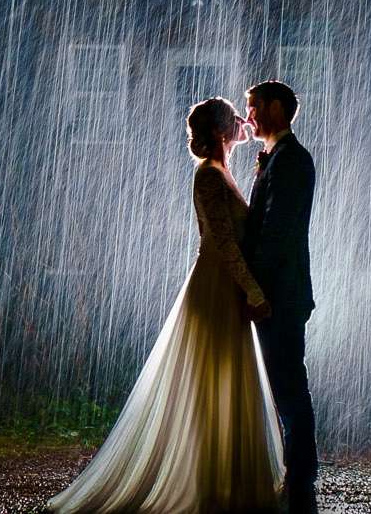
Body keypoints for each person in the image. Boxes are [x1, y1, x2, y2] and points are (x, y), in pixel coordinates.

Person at [44, 97, 284, 514]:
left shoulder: (222, 171)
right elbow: (223, 243)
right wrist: (254, 290)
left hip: (223, 287)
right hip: (216, 289)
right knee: (213, 385)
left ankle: (227, 483)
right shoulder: (209, 176)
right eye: (234, 118)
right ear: (219, 132)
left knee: (225, 382)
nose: (243, 121)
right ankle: (214, 488)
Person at [243, 80, 318, 514]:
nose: (248, 115)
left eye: (253, 107)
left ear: (274, 108)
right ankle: (295, 475)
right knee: (282, 386)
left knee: (289, 387)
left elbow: (277, 233)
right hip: (277, 292)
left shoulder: (291, 160)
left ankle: (302, 479)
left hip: (281, 295)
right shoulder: (278, 158)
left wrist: (257, 289)